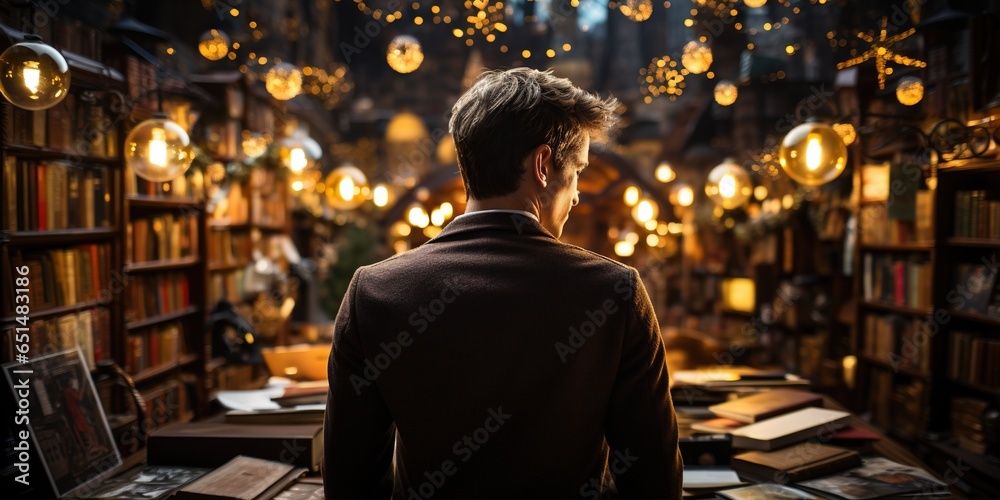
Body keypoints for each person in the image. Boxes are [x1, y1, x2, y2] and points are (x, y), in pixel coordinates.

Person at [324, 68, 682, 499]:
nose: (578, 196)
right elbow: (655, 485)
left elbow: (350, 486)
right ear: (543, 165)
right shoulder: (615, 292)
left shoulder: (374, 292)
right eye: (579, 173)